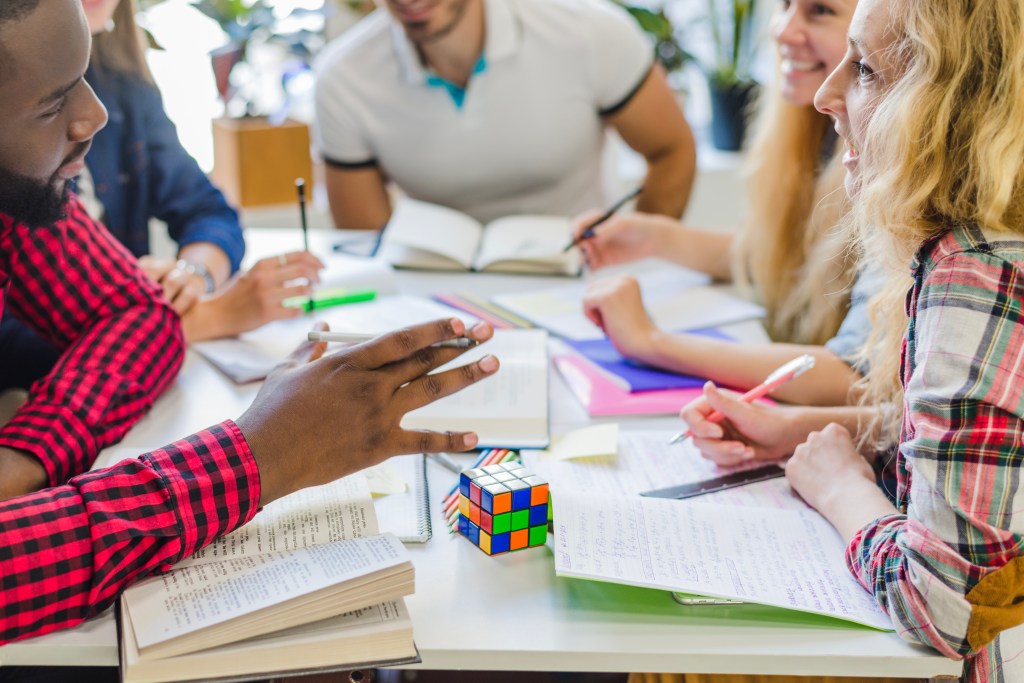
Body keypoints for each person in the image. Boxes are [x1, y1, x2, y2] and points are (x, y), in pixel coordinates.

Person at [0, 0, 498, 649]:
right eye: (54, 101)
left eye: (84, 78)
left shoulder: (20, 196)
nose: (95, 115)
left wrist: (27, 456)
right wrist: (258, 456)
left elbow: (137, 313)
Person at [683, 0, 1024, 679]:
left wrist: (841, 487)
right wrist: (799, 430)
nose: (825, 94)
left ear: (949, 103)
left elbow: (943, 604)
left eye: (864, 68)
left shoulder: (979, 272)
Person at [0, 0, 327, 393]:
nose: (92, 116)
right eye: (53, 105)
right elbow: (10, 345)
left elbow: (207, 209)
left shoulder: (124, 87)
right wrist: (196, 320)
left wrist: (189, 278)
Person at [578, 0, 871, 408]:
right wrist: (655, 238)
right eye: (784, 5)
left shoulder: (882, 159)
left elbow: (854, 376)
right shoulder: (813, 130)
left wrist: (651, 342)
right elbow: (781, 257)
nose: (783, 31)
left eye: (820, 11)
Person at [313, 0, 697, 231]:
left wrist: (641, 260)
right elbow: (365, 237)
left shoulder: (589, 31)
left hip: (580, 278)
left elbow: (671, 150)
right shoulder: (344, 78)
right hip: (435, 300)